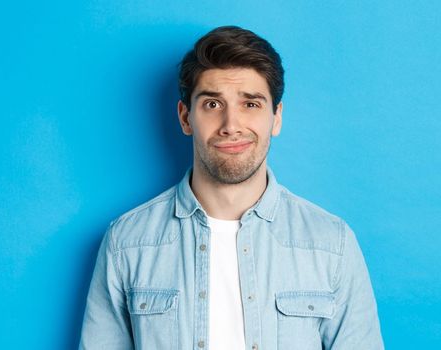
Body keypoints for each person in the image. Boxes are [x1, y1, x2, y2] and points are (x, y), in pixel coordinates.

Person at [79, 25, 384, 350]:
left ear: (276, 117)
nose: (231, 125)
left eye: (250, 104)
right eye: (213, 104)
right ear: (185, 117)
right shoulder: (128, 243)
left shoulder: (330, 244)